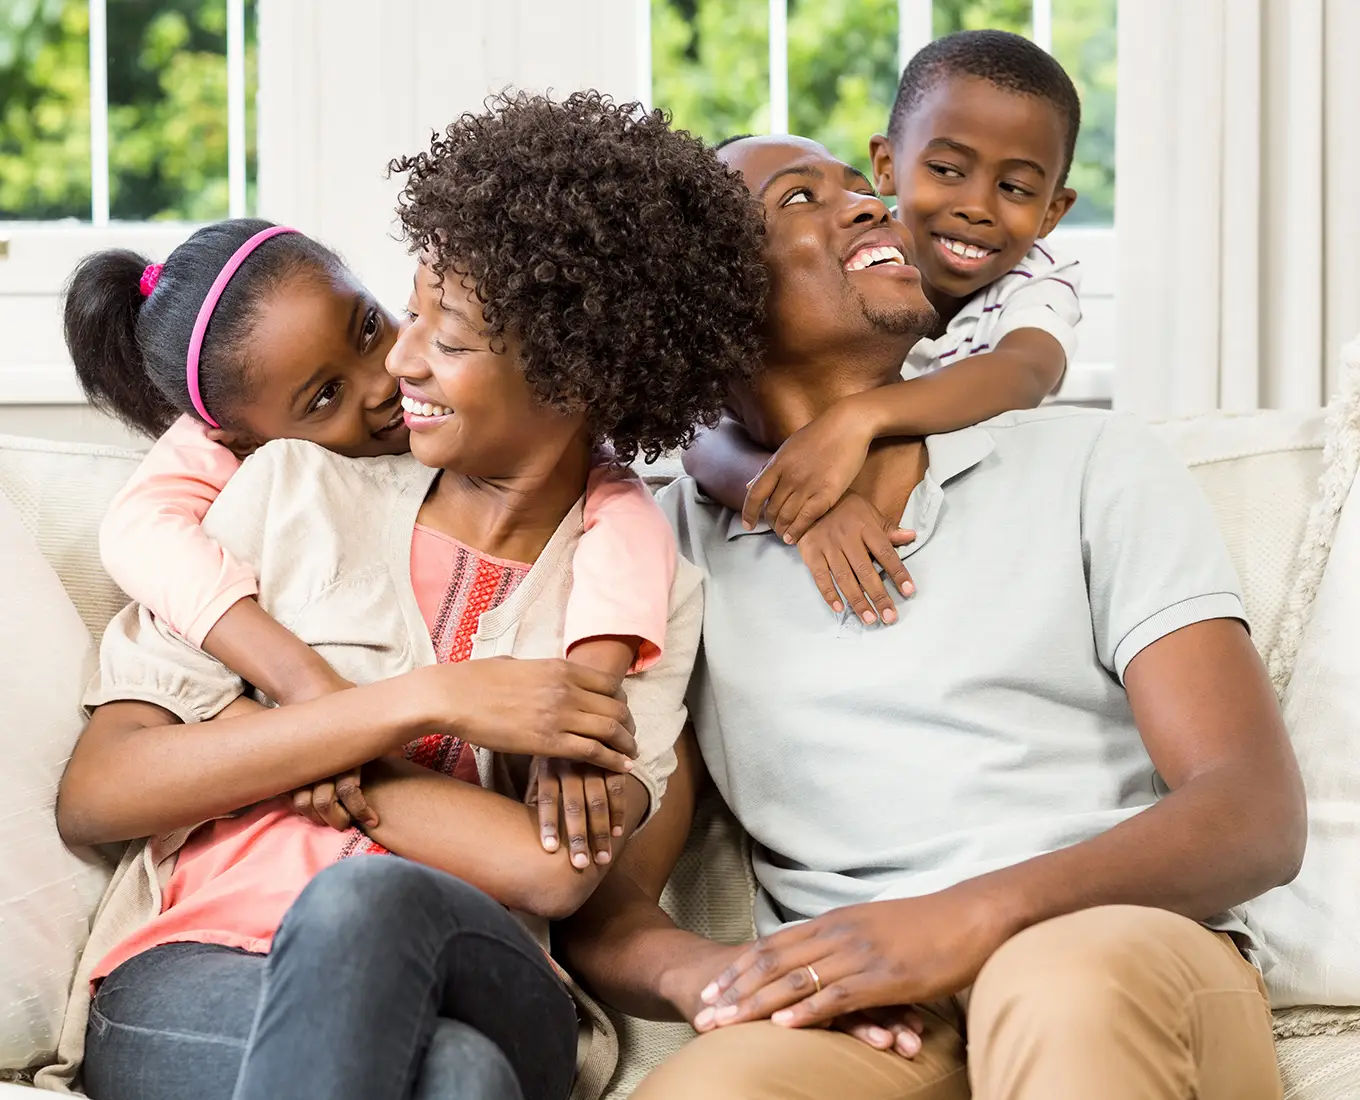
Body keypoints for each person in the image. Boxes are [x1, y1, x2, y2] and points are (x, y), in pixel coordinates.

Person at [42, 91, 766, 1100]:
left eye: (448, 335)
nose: (401, 356)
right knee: (458, 1077)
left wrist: (286, 749)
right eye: (411, 303)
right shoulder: (285, 488)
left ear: (574, 368)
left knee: (367, 899)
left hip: (490, 972)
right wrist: (423, 702)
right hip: (197, 963)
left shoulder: (631, 594)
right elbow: (103, 789)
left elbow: (553, 870)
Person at [558, 135, 1304, 1100]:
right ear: (705, 299)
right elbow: (599, 893)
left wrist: (962, 919)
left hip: (1115, 949)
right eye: (799, 198)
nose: (873, 207)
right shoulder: (665, 550)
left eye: (864, 188)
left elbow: (1253, 812)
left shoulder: (1089, 463)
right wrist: (717, 978)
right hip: (873, 1018)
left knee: (1059, 986)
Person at [67, 212, 678, 852]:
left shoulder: (463, 408)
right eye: (326, 396)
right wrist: (310, 695)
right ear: (242, 440)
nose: (386, 378)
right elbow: (140, 530)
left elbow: (623, 507)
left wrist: (585, 694)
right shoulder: (252, 468)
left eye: (367, 327)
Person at [683, 30, 1084, 628]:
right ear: (889, 166)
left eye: (1015, 188)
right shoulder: (866, 241)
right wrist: (796, 506)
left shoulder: (1037, 282)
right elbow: (699, 435)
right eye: (947, 169)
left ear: (1052, 211)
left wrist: (861, 417)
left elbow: (1023, 370)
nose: (977, 206)